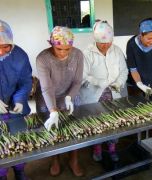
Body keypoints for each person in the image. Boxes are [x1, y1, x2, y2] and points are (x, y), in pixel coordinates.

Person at [35, 26, 84, 176]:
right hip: (47, 98)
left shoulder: (78, 55)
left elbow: (77, 81)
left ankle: (73, 160)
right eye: (59, 49)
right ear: (51, 44)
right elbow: (46, 88)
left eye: (67, 49)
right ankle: (55, 159)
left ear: (72, 45)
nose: (63, 53)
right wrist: (53, 110)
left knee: (74, 129)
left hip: (69, 94)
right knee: (53, 131)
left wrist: (70, 97)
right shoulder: (43, 58)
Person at [79, 20, 128, 162]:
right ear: (95, 40)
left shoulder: (117, 50)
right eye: (102, 43)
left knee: (114, 122)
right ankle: (97, 148)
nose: (106, 45)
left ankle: (112, 149)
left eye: (109, 42)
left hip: (114, 94)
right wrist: (96, 81)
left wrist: (119, 82)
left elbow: (124, 70)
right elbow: (82, 76)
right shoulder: (87, 53)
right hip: (94, 96)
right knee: (97, 123)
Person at [0, 20, 32, 180]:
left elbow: (26, 81)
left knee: (18, 143)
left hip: (14, 110)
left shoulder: (20, 56)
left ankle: (20, 171)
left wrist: (19, 99)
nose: (2, 51)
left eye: (6, 46)